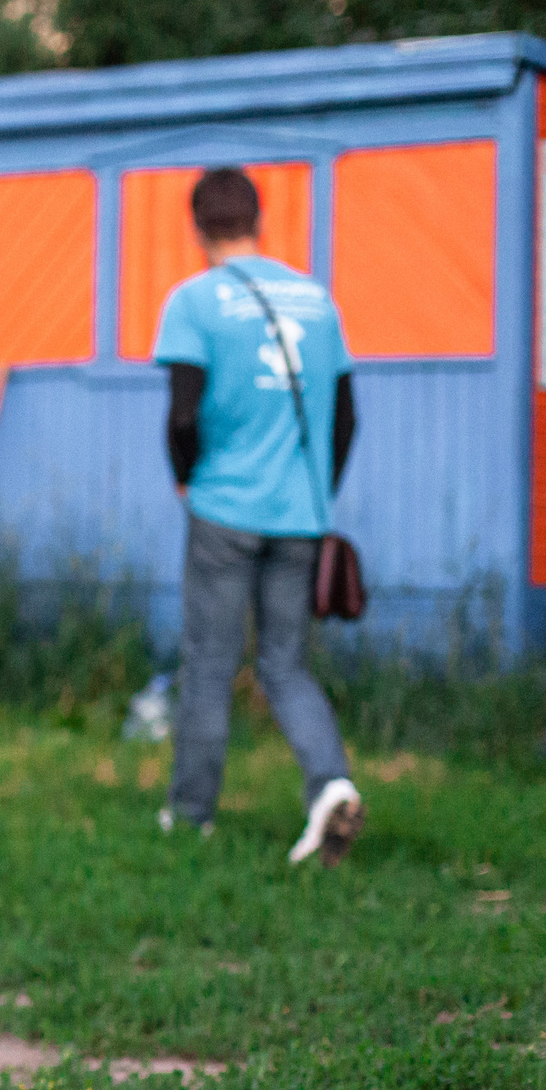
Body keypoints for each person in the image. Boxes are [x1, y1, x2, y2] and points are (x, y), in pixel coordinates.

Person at [152, 166, 364, 864]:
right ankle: (330, 784)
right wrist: (316, 494)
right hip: (300, 513)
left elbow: (182, 414)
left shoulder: (193, 302)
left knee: (211, 663)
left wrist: (186, 480)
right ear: (258, 220)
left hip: (222, 508)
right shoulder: (316, 300)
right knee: (286, 664)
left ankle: (191, 815)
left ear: (197, 227)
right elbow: (347, 418)